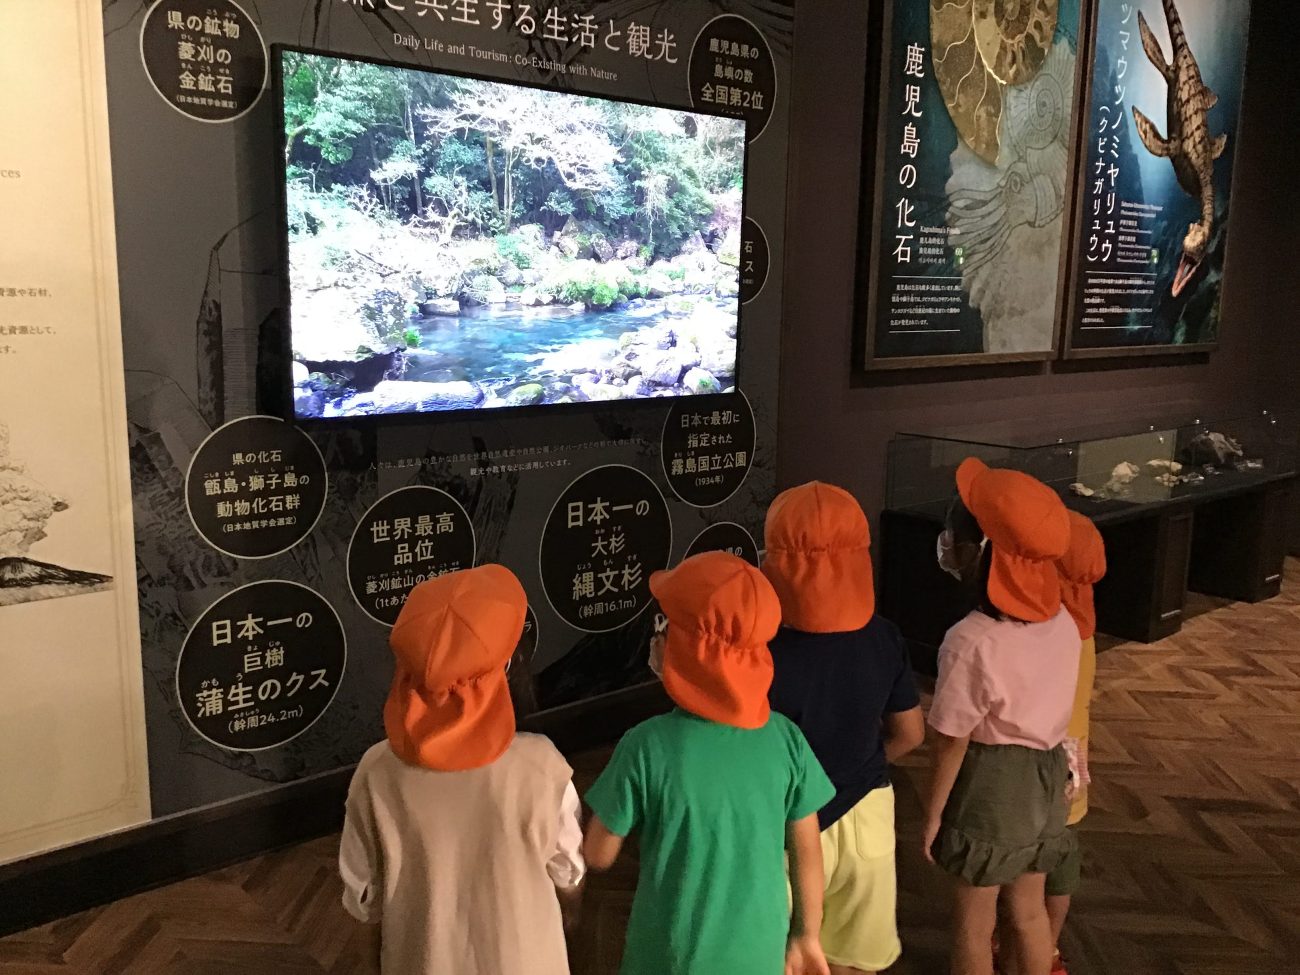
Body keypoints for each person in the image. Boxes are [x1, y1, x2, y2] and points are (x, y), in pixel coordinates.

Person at [583, 551, 836, 975]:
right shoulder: (786, 739)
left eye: (665, 626)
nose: (657, 637)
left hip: (669, 959)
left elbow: (598, 853)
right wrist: (807, 936)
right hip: (760, 955)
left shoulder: (645, 745)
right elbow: (807, 850)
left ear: (689, 651)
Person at [338, 564, 584, 975]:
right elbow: (569, 872)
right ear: (508, 665)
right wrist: (572, 913)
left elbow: (363, 897)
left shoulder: (376, 772)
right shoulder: (543, 765)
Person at [763, 481, 926, 975]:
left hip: (780, 824)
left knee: (784, 958)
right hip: (865, 812)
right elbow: (911, 734)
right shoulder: (885, 637)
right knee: (855, 961)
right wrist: (863, 764)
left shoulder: (758, 652)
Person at [924, 458, 1079, 975]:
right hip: (1048, 774)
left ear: (981, 552)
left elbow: (952, 739)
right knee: (1030, 913)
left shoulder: (972, 640)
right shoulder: (1064, 622)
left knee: (973, 924)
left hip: (992, 785)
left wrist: (932, 816)